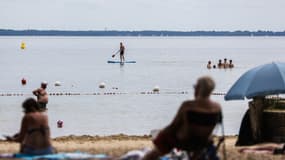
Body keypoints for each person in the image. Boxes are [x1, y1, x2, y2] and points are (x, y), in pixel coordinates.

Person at [142, 76, 222, 160]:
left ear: (198, 89)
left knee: (160, 143)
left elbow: (173, 126)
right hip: (204, 143)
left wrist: (161, 134)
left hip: (184, 142)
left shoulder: (188, 106)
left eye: (195, 87)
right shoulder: (217, 108)